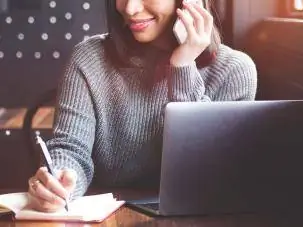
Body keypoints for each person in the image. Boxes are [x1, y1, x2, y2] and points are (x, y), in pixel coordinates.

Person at [27, 0, 257, 212]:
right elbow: (70, 149)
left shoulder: (234, 70)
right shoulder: (88, 59)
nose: (129, 8)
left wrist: (184, 66)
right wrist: (60, 181)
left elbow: (211, 178)